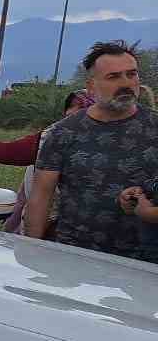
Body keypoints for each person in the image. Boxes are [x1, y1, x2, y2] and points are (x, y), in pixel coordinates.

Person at [28, 40, 158, 260]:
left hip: (145, 261)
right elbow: (41, 196)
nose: (126, 83)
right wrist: (32, 251)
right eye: (113, 77)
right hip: (76, 256)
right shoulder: (63, 133)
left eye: (131, 74)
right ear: (91, 86)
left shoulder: (154, 127)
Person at [0, 90, 92, 234]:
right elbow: (6, 152)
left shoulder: (112, 143)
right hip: (52, 237)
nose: (70, 112)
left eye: (80, 107)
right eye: (70, 107)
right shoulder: (53, 138)